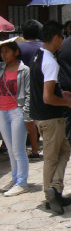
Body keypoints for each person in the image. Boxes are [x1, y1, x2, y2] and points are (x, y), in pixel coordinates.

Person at [29, 20, 71, 214]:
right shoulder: (50, 61)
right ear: (56, 37)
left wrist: (62, 93)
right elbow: (48, 97)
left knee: (64, 150)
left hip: (39, 115)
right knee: (52, 156)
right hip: (50, 117)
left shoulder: (38, 55)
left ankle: (55, 190)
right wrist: (68, 103)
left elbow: (45, 88)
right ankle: (51, 192)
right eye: (62, 38)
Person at [0, 39, 30, 196]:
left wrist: (27, 114)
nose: (4, 55)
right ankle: (14, 178)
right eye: (2, 52)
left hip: (17, 111)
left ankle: (22, 182)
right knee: (10, 149)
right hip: (2, 111)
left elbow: (28, 94)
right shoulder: (1, 69)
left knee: (18, 149)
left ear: (16, 52)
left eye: (7, 51)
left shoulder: (24, 70)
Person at [18, 19, 42, 159]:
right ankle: (35, 144)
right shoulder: (43, 47)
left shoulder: (18, 47)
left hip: (21, 87)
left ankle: (26, 144)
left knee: (25, 117)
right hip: (39, 85)